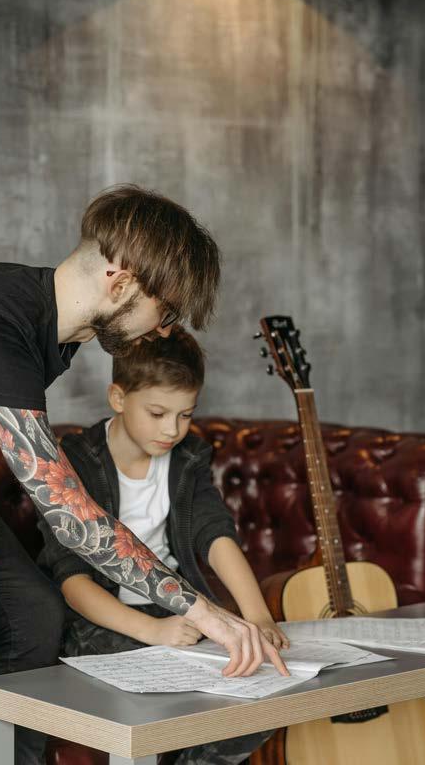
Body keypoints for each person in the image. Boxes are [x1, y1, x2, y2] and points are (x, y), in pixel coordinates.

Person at [0, 185, 287, 765]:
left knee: (35, 613)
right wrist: (205, 612)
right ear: (120, 282)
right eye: (166, 311)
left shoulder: (51, 333)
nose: (163, 331)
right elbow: (72, 518)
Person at [37, 326, 290, 765]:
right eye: (157, 413)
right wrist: (153, 632)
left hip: (181, 614)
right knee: (157, 694)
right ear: (118, 398)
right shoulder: (75, 461)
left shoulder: (189, 457)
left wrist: (258, 617)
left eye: (185, 414)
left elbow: (214, 535)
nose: (172, 429)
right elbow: (72, 582)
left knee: (265, 686)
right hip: (102, 623)